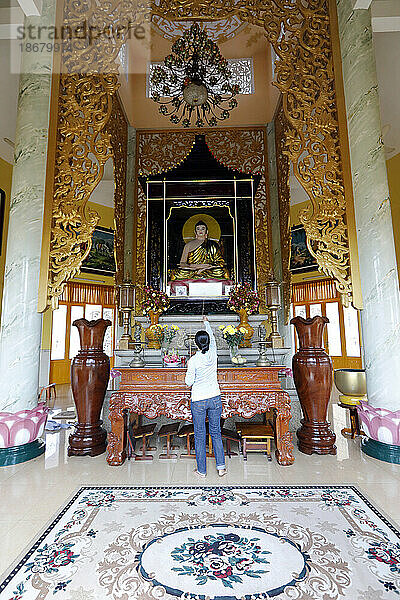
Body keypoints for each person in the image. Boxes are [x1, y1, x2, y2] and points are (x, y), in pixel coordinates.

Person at [185, 315, 226, 477]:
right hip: (215, 397)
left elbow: (189, 382)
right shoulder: (213, 353)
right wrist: (206, 323)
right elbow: (213, 339)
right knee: (216, 432)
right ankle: (221, 467)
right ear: (208, 342)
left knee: (200, 435)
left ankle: (202, 470)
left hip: (199, 400)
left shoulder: (193, 360)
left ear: (196, 343)